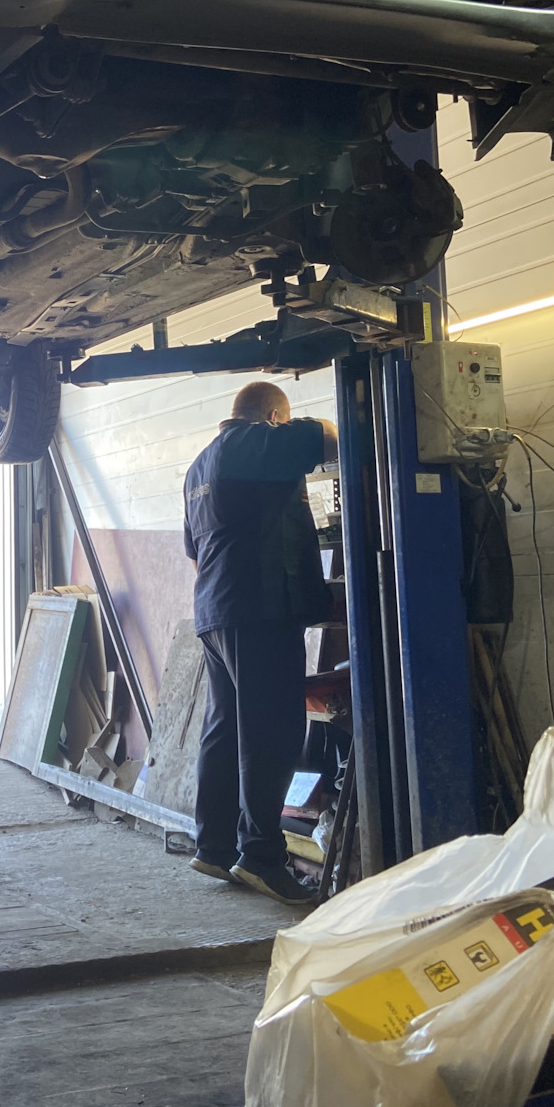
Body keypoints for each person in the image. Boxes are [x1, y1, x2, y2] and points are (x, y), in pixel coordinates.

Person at [182, 380, 339, 906]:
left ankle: (214, 845)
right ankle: (262, 856)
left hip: (216, 612)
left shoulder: (199, 466)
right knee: (271, 732)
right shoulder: (253, 442)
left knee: (225, 729)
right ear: (273, 418)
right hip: (260, 609)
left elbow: (194, 550)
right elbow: (327, 435)